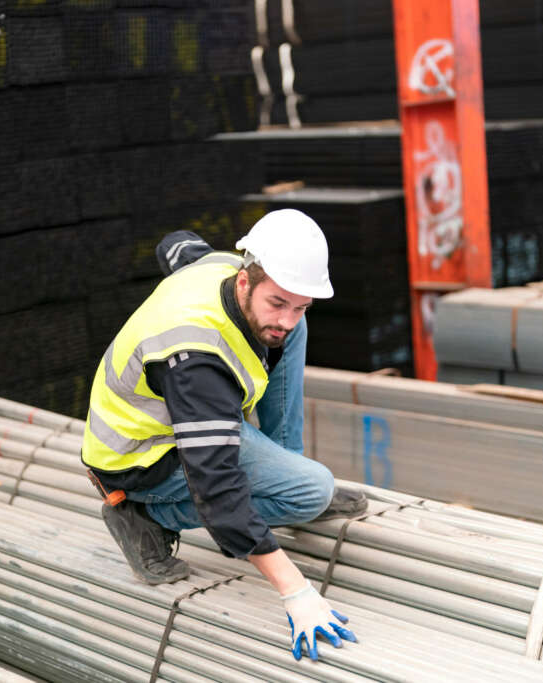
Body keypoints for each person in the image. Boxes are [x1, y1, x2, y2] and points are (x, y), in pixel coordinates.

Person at [81, 208, 366, 661]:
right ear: (244, 282)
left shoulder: (216, 264)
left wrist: (280, 307)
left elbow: (174, 242)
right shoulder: (197, 360)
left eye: (300, 304)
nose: (288, 318)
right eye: (278, 303)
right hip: (142, 456)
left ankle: (289, 467)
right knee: (312, 490)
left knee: (289, 331)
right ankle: (146, 519)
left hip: (178, 420)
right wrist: (296, 592)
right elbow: (217, 488)